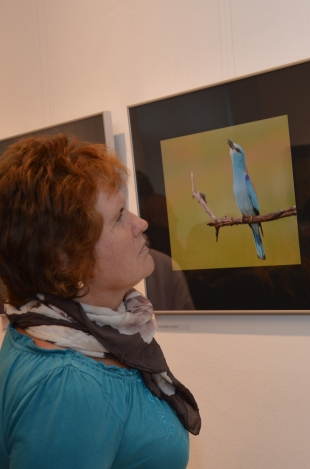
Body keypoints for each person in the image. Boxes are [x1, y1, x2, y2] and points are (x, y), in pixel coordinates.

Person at [0, 135, 200, 468]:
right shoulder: (67, 386)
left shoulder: (95, 334)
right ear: (66, 258)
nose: (140, 223)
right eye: (119, 216)